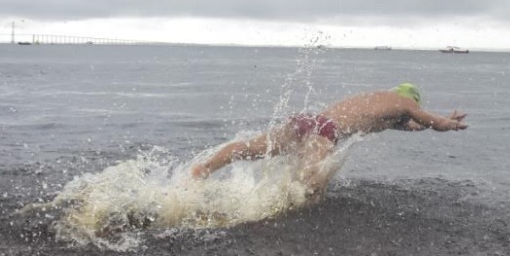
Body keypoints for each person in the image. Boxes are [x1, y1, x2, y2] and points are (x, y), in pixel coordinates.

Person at [188, 83, 468, 198]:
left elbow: (412, 126)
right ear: (413, 101)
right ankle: (272, 218)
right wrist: (448, 123)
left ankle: (204, 169)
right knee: (309, 188)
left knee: (254, 149)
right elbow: (435, 123)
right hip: (325, 132)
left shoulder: (381, 104)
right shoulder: (404, 101)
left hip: (309, 121)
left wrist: (430, 125)